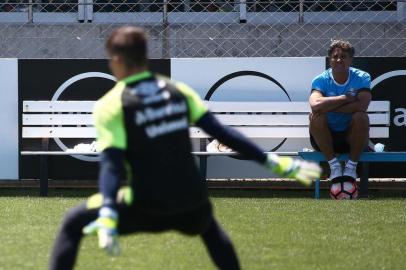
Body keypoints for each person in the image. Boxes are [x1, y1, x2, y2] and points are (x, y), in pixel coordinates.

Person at [49, 26, 321, 270]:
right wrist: (274, 162)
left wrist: (108, 208)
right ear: (145, 57)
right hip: (192, 202)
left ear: (117, 60)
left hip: (146, 205)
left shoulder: (111, 104)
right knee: (210, 229)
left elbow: (112, 163)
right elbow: (223, 133)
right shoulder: (177, 90)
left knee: (73, 222)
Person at [309, 39, 371, 180]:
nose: (338, 60)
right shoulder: (320, 80)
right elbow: (315, 105)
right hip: (326, 137)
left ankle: (351, 168)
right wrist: (345, 98)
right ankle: (334, 166)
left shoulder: (362, 77)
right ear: (330, 60)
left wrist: (328, 107)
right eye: (335, 57)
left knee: (361, 117)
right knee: (315, 116)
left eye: (343, 57)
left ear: (350, 60)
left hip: (351, 137)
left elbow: (361, 106)